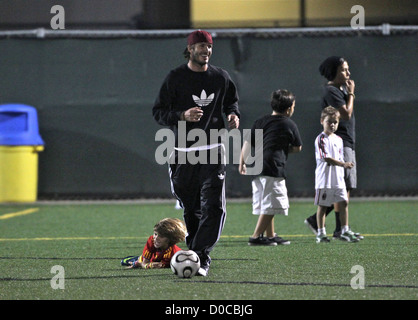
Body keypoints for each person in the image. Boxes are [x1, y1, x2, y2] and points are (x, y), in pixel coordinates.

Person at [152, 30, 240, 276]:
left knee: (214, 207)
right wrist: (182, 115)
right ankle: (193, 251)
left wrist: (233, 115)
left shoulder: (220, 77)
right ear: (190, 49)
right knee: (192, 209)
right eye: (201, 46)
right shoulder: (175, 78)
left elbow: (231, 102)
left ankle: (201, 255)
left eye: (209, 47)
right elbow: (159, 112)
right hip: (182, 154)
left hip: (213, 151)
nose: (206, 51)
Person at [304, 56, 363, 240]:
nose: (348, 73)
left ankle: (331, 225)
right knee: (343, 186)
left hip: (346, 141)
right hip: (341, 142)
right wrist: (352, 93)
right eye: (344, 70)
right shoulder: (331, 90)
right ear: (334, 73)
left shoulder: (340, 89)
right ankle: (339, 229)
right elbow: (345, 114)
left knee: (343, 187)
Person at [239, 89, 302, 246]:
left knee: (266, 203)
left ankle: (270, 235)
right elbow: (297, 147)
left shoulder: (260, 121)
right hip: (273, 168)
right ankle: (256, 236)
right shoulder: (289, 124)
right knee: (273, 204)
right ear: (289, 109)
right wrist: (282, 147)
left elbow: (248, 142)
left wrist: (242, 161)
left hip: (257, 168)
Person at [314, 107, 359, 243]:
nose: (332, 125)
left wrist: (343, 167)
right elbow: (326, 157)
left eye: (335, 122)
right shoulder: (321, 139)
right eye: (329, 122)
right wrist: (343, 164)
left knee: (344, 202)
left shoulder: (339, 139)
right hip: (325, 179)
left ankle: (344, 230)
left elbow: (339, 157)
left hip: (338, 179)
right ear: (322, 121)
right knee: (323, 206)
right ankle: (321, 234)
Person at [121, 218, 187, 269]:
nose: (156, 238)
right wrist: (141, 264)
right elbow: (145, 263)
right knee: (123, 262)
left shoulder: (174, 254)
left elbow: (160, 265)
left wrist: (141, 265)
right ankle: (136, 258)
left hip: (153, 260)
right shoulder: (151, 240)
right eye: (155, 234)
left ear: (170, 238)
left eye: (161, 236)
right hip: (145, 259)